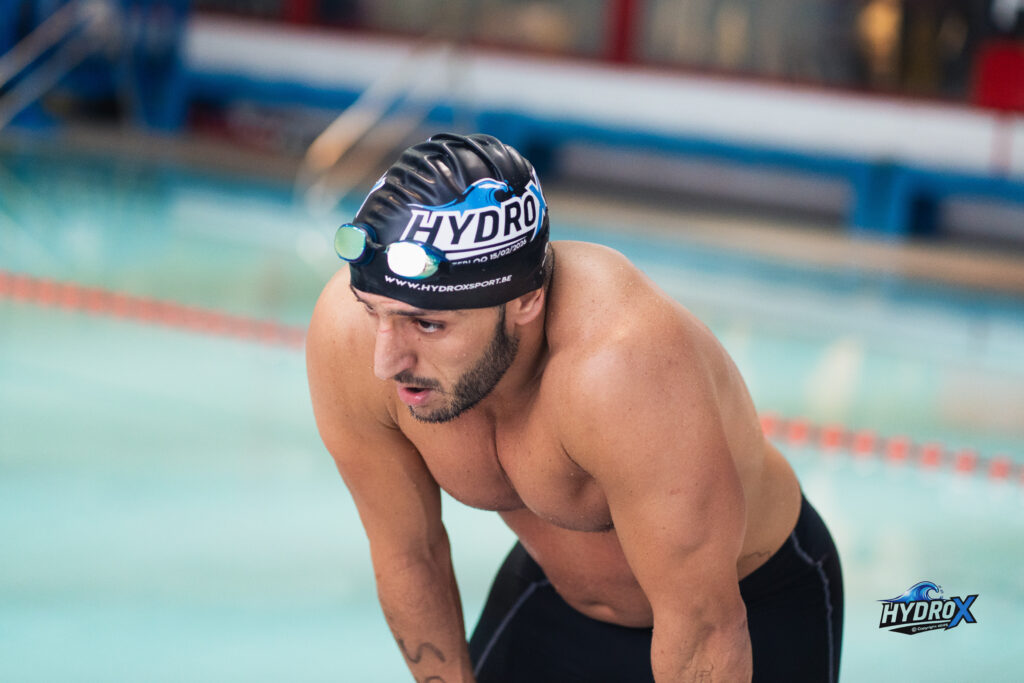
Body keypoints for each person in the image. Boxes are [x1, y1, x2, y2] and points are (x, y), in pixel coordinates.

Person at [306, 133, 843, 682]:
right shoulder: (349, 339)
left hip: (749, 603)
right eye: (374, 312)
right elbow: (408, 555)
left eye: (428, 324)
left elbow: (705, 627)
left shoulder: (621, 366)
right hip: (557, 598)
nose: (386, 361)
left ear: (525, 299)